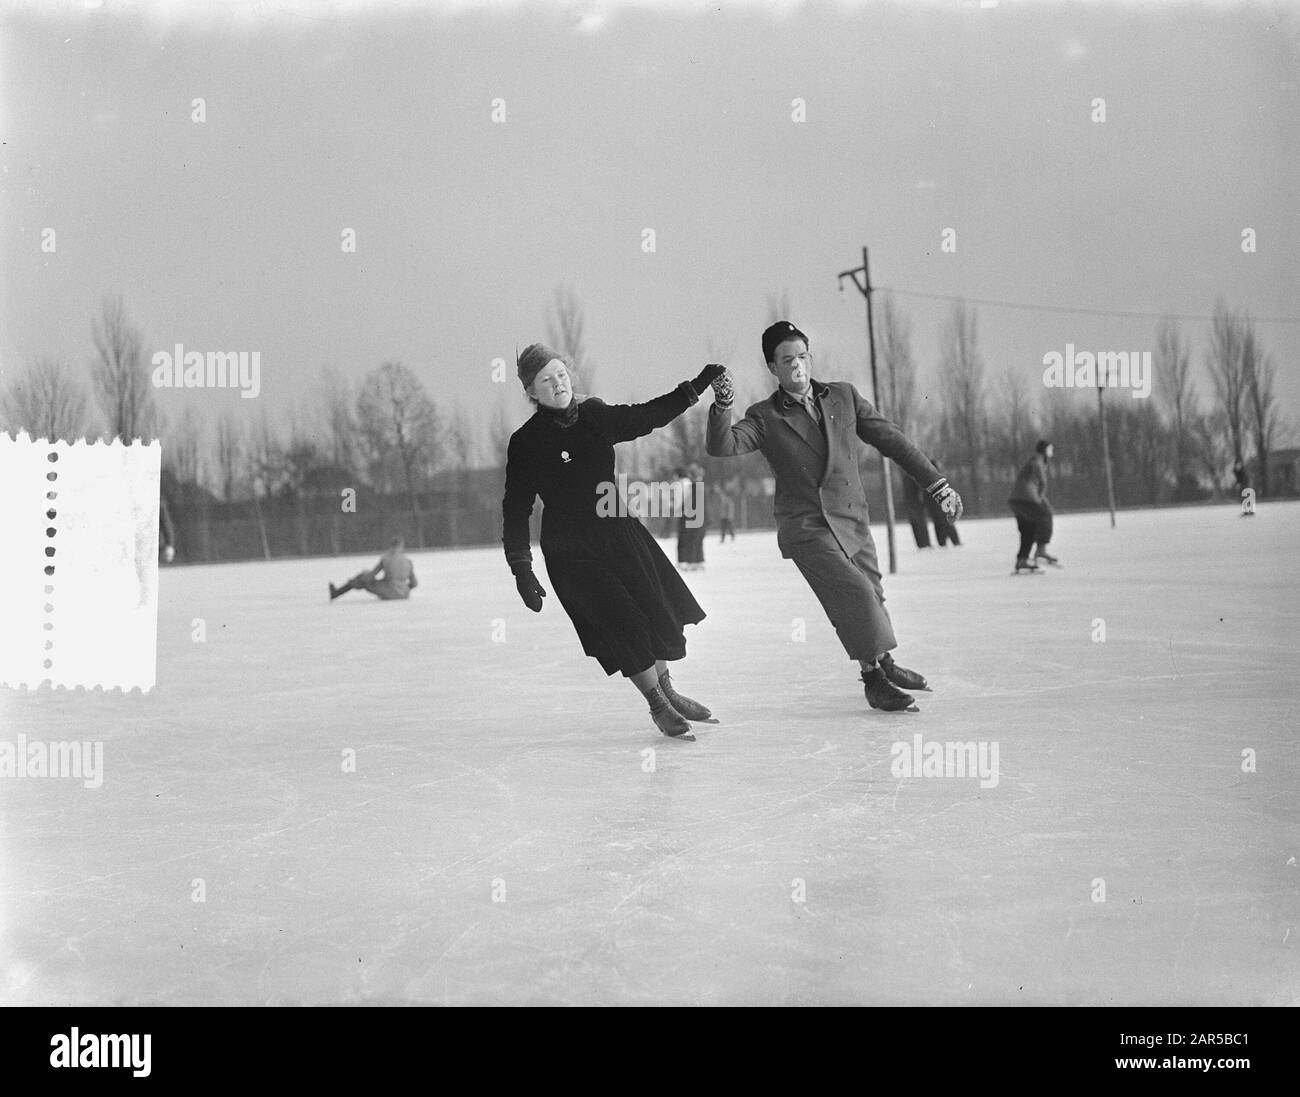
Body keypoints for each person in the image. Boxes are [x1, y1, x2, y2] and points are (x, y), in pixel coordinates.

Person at [706, 320, 963, 714]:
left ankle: (886, 664)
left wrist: (937, 484)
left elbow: (892, 440)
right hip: (807, 527)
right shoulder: (764, 416)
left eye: (803, 356)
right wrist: (723, 406)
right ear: (772, 368)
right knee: (855, 594)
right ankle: (873, 679)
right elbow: (724, 446)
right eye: (787, 359)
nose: (798, 366)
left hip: (851, 517)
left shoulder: (844, 397)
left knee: (873, 593)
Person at [502, 343, 722, 742]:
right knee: (624, 621)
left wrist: (695, 388)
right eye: (546, 381)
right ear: (531, 392)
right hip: (571, 551)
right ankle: (657, 703)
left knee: (653, 610)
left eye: (562, 375)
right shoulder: (526, 442)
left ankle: (669, 691)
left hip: (618, 532)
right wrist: (522, 568)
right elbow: (515, 508)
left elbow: (647, 416)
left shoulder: (595, 417)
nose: (558, 385)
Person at [1009, 440, 1059, 571]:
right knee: (1046, 515)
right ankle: (1041, 550)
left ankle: (1022, 560)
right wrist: (1043, 503)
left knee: (1028, 530)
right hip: (1026, 499)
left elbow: (1034, 487)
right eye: (1050, 450)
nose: (1051, 453)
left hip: (1016, 500)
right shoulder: (1038, 462)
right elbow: (1042, 484)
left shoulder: (1033, 461)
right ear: (1045, 451)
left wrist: (1042, 500)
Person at [330, 537, 418, 600]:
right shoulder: (408, 561)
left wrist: (357, 581)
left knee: (362, 577)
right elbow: (414, 583)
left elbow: (369, 577)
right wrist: (404, 588)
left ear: (391, 546)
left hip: (389, 592)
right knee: (365, 578)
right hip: (405, 594)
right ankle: (340, 591)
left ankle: (336, 593)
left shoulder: (386, 559)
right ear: (401, 547)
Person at [927, 462, 961, 547]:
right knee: (945, 523)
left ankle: (946, 542)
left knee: (941, 524)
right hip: (940, 504)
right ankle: (951, 542)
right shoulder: (937, 476)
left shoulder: (930, 476)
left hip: (938, 504)